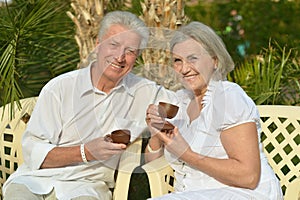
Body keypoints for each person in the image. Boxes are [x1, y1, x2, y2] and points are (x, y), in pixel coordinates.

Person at [3, 11, 175, 200]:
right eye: (114, 45)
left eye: (130, 51)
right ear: (97, 45)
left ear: (138, 56)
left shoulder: (146, 92)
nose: (120, 57)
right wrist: (85, 152)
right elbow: (32, 151)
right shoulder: (60, 88)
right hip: (35, 181)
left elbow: (189, 105)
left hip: (88, 189)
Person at [145, 21, 283, 200]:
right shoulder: (179, 102)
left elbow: (248, 177)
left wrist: (188, 154)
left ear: (215, 61)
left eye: (192, 58)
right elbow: (153, 165)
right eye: (178, 61)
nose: (184, 69)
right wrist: (157, 131)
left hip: (242, 194)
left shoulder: (227, 97)